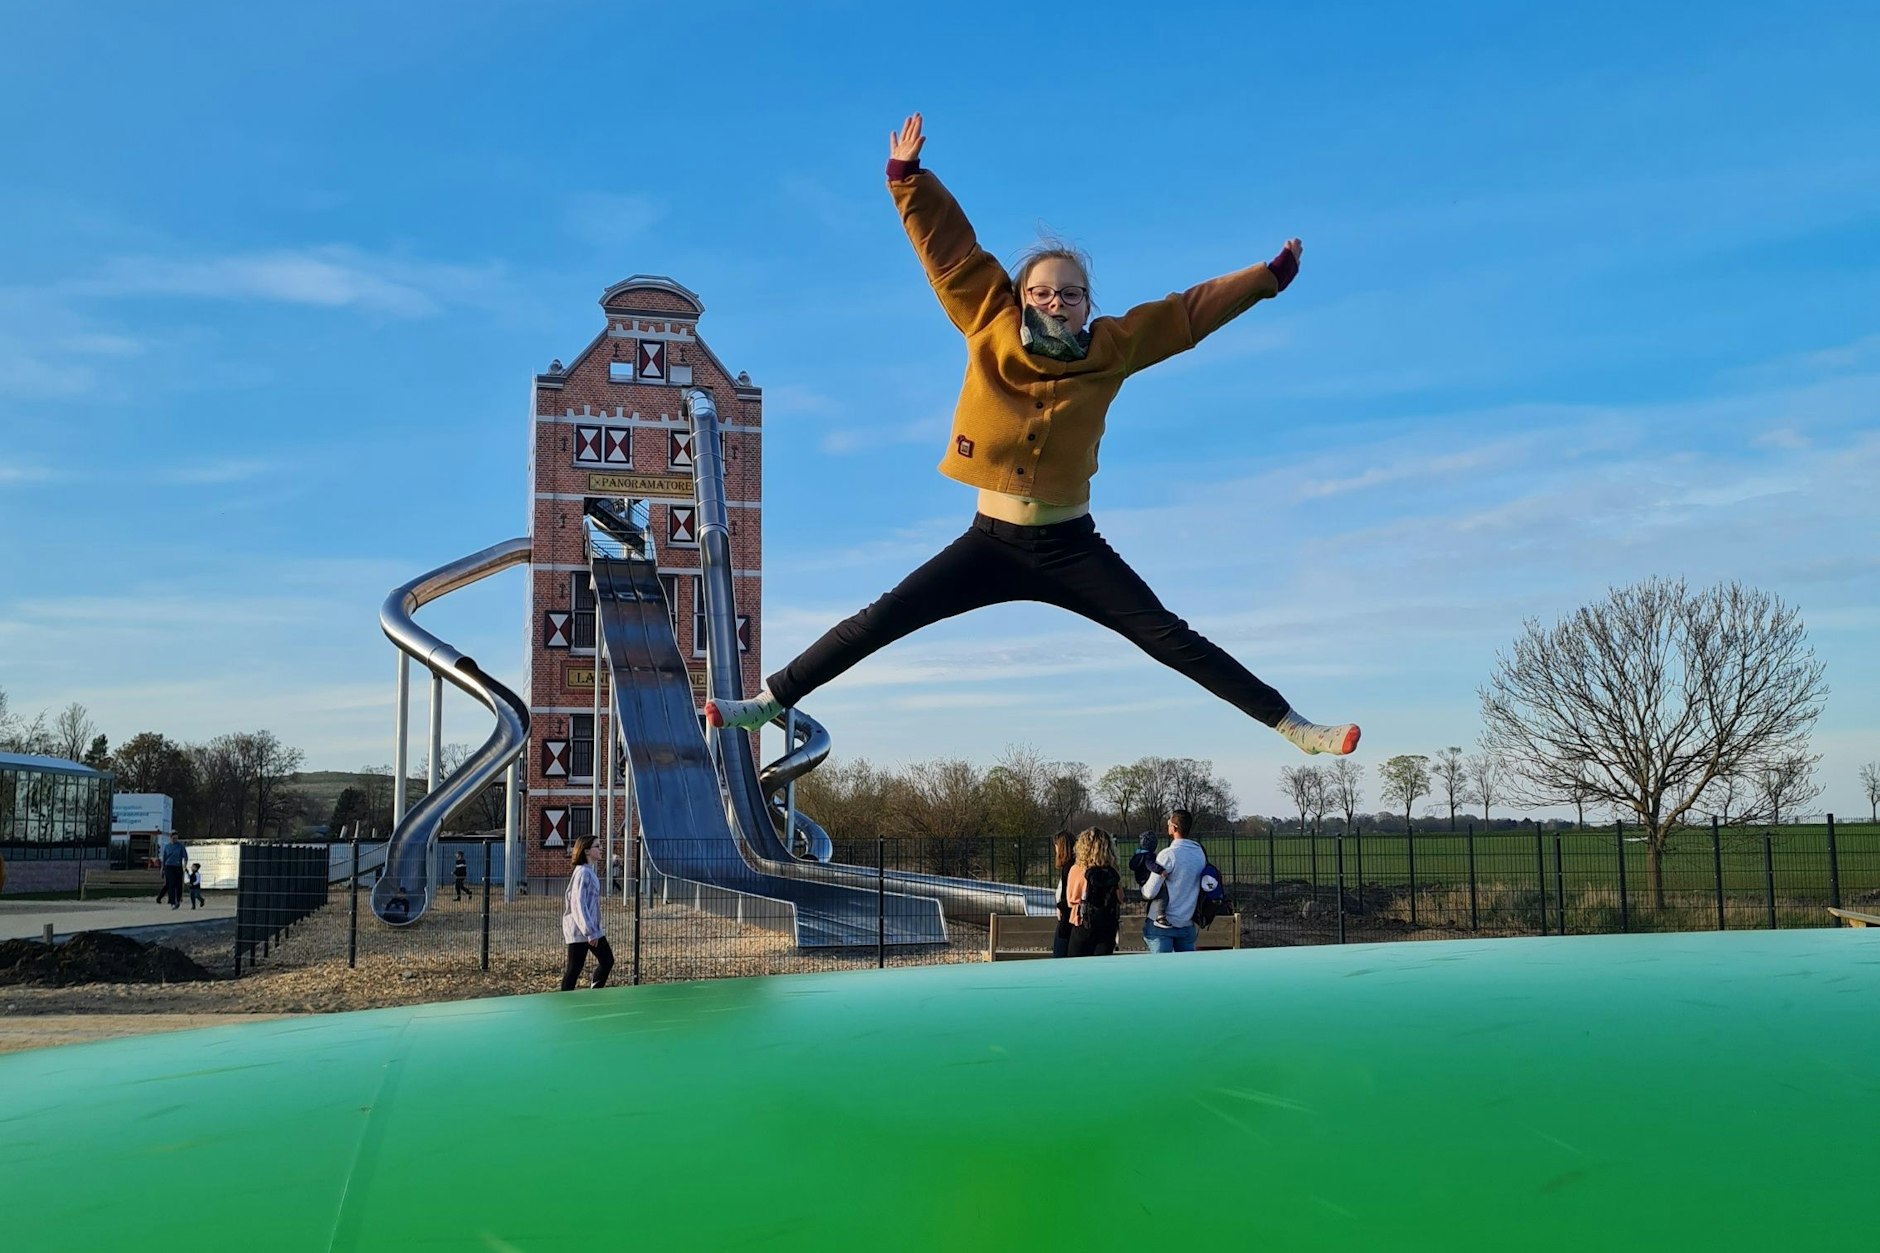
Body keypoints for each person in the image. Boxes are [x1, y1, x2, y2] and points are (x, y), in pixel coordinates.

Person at [706, 113, 1358, 760]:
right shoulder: (987, 319)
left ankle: (1294, 725)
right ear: (1022, 295)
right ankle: (766, 702)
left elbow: (1186, 314)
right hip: (989, 542)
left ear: (1088, 304)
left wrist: (1267, 279)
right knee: (881, 619)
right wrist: (906, 180)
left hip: (1073, 547)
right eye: (1043, 292)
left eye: (1071, 294)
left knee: (1168, 636)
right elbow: (951, 254)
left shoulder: (1113, 347)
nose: (1056, 302)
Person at [1141, 809, 1206, 953]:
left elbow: (1150, 892)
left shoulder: (1168, 854)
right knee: (1186, 973)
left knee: (1162, 973)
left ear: (1174, 827)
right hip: (1187, 922)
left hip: (1162, 926)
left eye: (1169, 823)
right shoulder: (1199, 853)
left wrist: (1142, 890)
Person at [560, 834, 614, 991]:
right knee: (603, 961)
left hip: (587, 930)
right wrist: (590, 931)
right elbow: (578, 904)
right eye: (598, 846)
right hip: (582, 930)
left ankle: (591, 992)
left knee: (576, 967)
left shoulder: (587, 872)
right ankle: (567, 999)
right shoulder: (583, 873)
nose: (601, 849)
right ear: (587, 851)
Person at [1065, 828, 1123, 957]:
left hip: (1082, 922)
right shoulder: (1112, 871)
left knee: (1077, 967)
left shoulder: (1077, 869)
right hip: (1107, 924)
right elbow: (1121, 898)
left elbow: (1070, 900)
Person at [1049, 830, 1075, 959]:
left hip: (1067, 918)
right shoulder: (1074, 866)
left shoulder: (1068, 868)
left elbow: (1066, 894)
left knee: (1059, 953)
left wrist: (1060, 906)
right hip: (1070, 917)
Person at [159, 833, 188, 910]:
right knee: (171, 883)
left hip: (178, 866)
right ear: (170, 838)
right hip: (169, 866)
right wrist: (162, 868)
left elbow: (185, 856)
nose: (175, 840)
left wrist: (185, 865)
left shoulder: (180, 846)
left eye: (176, 838)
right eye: (173, 838)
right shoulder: (167, 847)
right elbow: (164, 858)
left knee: (178, 885)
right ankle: (172, 902)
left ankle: (178, 900)